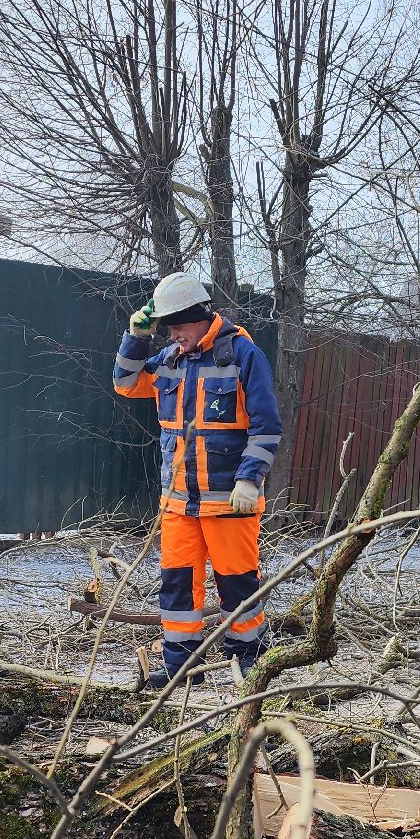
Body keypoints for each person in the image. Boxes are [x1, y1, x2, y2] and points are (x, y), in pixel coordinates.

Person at [114, 273, 281, 689]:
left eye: (178, 326)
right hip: (177, 503)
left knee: (237, 586)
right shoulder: (170, 359)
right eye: (167, 328)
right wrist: (136, 337)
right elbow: (124, 383)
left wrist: (249, 479)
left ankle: (250, 663)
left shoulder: (243, 355)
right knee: (177, 587)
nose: (173, 335)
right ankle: (180, 670)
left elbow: (267, 427)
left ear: (200, 317)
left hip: (230, 501)